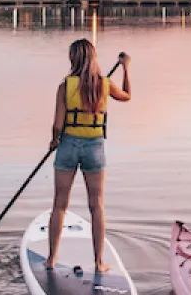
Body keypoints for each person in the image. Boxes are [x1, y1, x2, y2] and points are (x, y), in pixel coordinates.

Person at [45, 38, 132, 272]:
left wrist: (54, 141)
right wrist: (126, 68)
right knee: (97, 206)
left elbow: (57, 124)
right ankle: (98, 262)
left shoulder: (65, 86)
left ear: (73, 58)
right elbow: (126, 96)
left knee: (60, 205)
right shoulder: (105, 84)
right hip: (94, 147)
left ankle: (51, 259)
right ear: (93, 58)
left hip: (68, 146)